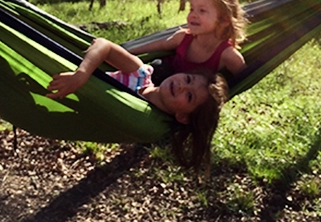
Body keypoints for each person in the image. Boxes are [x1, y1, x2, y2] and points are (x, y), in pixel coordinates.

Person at [46, 37, 229, 171]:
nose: (182, 86)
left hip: (56, 106)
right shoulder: (140, 74)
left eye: (189, 96)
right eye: (188, 79)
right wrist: (81, 75)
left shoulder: (148, 124)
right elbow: (103, 45)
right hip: (57, 78)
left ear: (182, 116)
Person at [134, 0, 248, 84]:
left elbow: (245, 79)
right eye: (192, 9)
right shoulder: (184, 38)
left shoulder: (228, 55)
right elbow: (159, 45)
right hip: (161, 80)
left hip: (187, 96)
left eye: (202, 10)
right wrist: (129, 51)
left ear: (223, 20)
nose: (193, 15)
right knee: (158, 67)